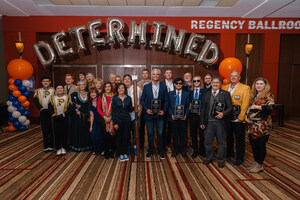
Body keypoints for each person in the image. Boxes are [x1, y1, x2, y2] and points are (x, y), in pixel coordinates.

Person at [200, 76, 232, 168]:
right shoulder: (206, 94)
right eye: (213, 82)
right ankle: (209, 157)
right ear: (211, 83)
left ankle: (221, 160)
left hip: (221, 122)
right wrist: (202, 122)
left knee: (222, 142)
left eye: (217, 82)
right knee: (208, 141)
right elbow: (202, 109)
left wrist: (223, 113)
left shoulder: (225, 94)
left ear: (220, 84)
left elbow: (230, 108)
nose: (215, 84)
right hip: (208, 122)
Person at [245, 77, 274, 173]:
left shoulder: (268, 95)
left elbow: (270, 107)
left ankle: (260, 165)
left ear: (265, 85)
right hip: (252, 125)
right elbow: (249, 108)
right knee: (253, 144)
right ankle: (256, 163)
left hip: (262, 126)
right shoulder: (254, 95)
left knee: (260, 144)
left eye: (261, 84)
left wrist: (256, 106)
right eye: (257, 83)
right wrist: (246, 117)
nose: (259, 85)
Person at [222, 70, 251, 165]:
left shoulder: (245, 88)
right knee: (228, 137)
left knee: (239, 139)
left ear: (239, 77)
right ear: (229, 78)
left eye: (235, 76)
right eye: (231, 76)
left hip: (238, 118)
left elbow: (245, 104)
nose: (233, 78)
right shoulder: (225, 87)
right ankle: (230, 153)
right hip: (227, 118)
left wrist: (241, 116)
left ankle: (239, 157)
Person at [141, 69, 169, 159]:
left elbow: (167, 100)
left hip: (160, 115)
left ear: (159, 76)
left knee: (160, 133)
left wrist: (164, 111)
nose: (156, 76)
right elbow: (142, 100)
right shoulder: (146, 87)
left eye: (157, 74)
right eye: (154, 74)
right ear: (151, 76)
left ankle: (160, 151)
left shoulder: (164, 87)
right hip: (149, 114)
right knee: (150, 133)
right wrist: (146, 109)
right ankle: (150, 150)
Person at [168, 78, 190, 157]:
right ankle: (175, 150)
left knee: (182, 134)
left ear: (182, 84)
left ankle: (182, 150)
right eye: (176, 83)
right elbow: (168, 106)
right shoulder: (170, 94)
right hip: (173, 118)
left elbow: (188, 106)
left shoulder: (186, 94)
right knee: (174, 134)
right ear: (174, 84)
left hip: (183, 118)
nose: (178, 85)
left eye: (180, 83)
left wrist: (185, 115)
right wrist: (171, 115)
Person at [48, 84, 72, 156]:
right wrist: (54, 115)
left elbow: (70, 108)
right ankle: (58, 148)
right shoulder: (51, 98)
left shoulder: (68, 97)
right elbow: (50, 107)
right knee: (56, 133)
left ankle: (64, 147)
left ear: (63, 89)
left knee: (65, 132)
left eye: (61, 88)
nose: (60, 89)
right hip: (55, 118)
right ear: (55, 90)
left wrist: (64, 115)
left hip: (65, 118)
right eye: (58, 88)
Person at [111, 83, 133, 161]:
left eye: (122, 88)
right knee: (119, 137)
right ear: (117, 90)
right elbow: (113, 112)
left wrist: (135, 107)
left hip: (127, 120)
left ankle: (124, 153)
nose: (121, 89)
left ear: (125, 89)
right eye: (119, 88)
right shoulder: (114, 98)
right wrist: (115, 123)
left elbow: (130, 109)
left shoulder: (129, 98)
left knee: (126, 137)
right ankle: (120, 153)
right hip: (118, 120)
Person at [33, 76, 55, 152]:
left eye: (47, 81)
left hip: (51, 112)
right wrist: (41, 109)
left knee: (51, 128)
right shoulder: (37, 91)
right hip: (43, 112)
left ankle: (52, 145)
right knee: (44, 129)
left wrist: (51, 109)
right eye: (44, 81)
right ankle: (46, 146)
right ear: (41, 82)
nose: (45, 82)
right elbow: (35, 101)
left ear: (50, 82)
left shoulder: (54, 90)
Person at [189, 75, 209, 158]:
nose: (196, 82)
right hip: (192, 115)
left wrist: (202, 112)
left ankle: (202, 150)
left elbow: (207, 104)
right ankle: (195, 150)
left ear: (200, 82)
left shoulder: (205, 91)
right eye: (194, 81)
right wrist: (189, 105)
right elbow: (187, 102)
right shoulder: (190, 92)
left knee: (202, 134)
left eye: (198, 81)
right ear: (192, 83)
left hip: (201, 116)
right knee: (193, 134)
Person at [70, 81, 92, 151]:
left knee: (86, 130)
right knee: (78, 130)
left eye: (83, 84)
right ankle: (78, 146)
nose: (82, 86)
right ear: (78, 86)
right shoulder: (74, 94)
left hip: (87, 115)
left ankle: (86, 145)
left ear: (85, 86)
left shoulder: (89, 93)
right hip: (78, 116)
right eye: (80, 85)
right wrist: (76, 110)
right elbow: (72, 103)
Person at [124, 74, 142, 155]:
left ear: (131, 80)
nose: (127, 80)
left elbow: (142, 101)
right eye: (125, 79)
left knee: (136, 133)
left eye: (128, 79)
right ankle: (127, 146)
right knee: (126, 133)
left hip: (136, 114)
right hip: (126, 116)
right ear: (123, 81)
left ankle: (135, 147)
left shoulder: (137, 89)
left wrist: (140, 111)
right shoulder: (122, 90)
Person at [97, 82, 115, 159]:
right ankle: (106, 151)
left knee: (111, 136)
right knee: (105, 136)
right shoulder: (101, 96)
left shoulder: (114, 96)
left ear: (111, 88)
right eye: (106, 87)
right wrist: (105, 117)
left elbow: (115, 109)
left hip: (112, 119)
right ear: (104, 88)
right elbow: (98, 108)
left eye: (109, 87)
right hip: (103, 119)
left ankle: (111, 151)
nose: (108, 88)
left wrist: (110, 118)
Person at [137, 69, 151, 148]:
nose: (145, 75)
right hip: (141, 108)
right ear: (141, 75)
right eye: (143, 73)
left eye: (146, 73)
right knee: (141, 127)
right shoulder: (137, 83)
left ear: (148, 75)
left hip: (150, 108)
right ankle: (141, 144)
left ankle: (151, 144)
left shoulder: (152, 83)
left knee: (150, 128)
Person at [88, 87, 104, 155]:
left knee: (99, 136)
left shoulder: (101, 101)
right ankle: (95, 149)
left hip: (101, 121)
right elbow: (91, 115)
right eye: (91, 93)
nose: (93, 94)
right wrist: (91, 126)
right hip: (94, 121)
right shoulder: (89, 103)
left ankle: (101, 150)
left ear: (97, 93)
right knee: (93, 136)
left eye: (94, 92)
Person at [161, 69, 174, 150]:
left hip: (172, 108)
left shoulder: (176, 83)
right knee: (162, 127)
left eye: (170, 73)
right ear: (164, 74)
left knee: (171, 127)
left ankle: (169, 142)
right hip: (163, 108)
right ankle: (163, 143)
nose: (169, 74)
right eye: (167, 73)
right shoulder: (161, 84)